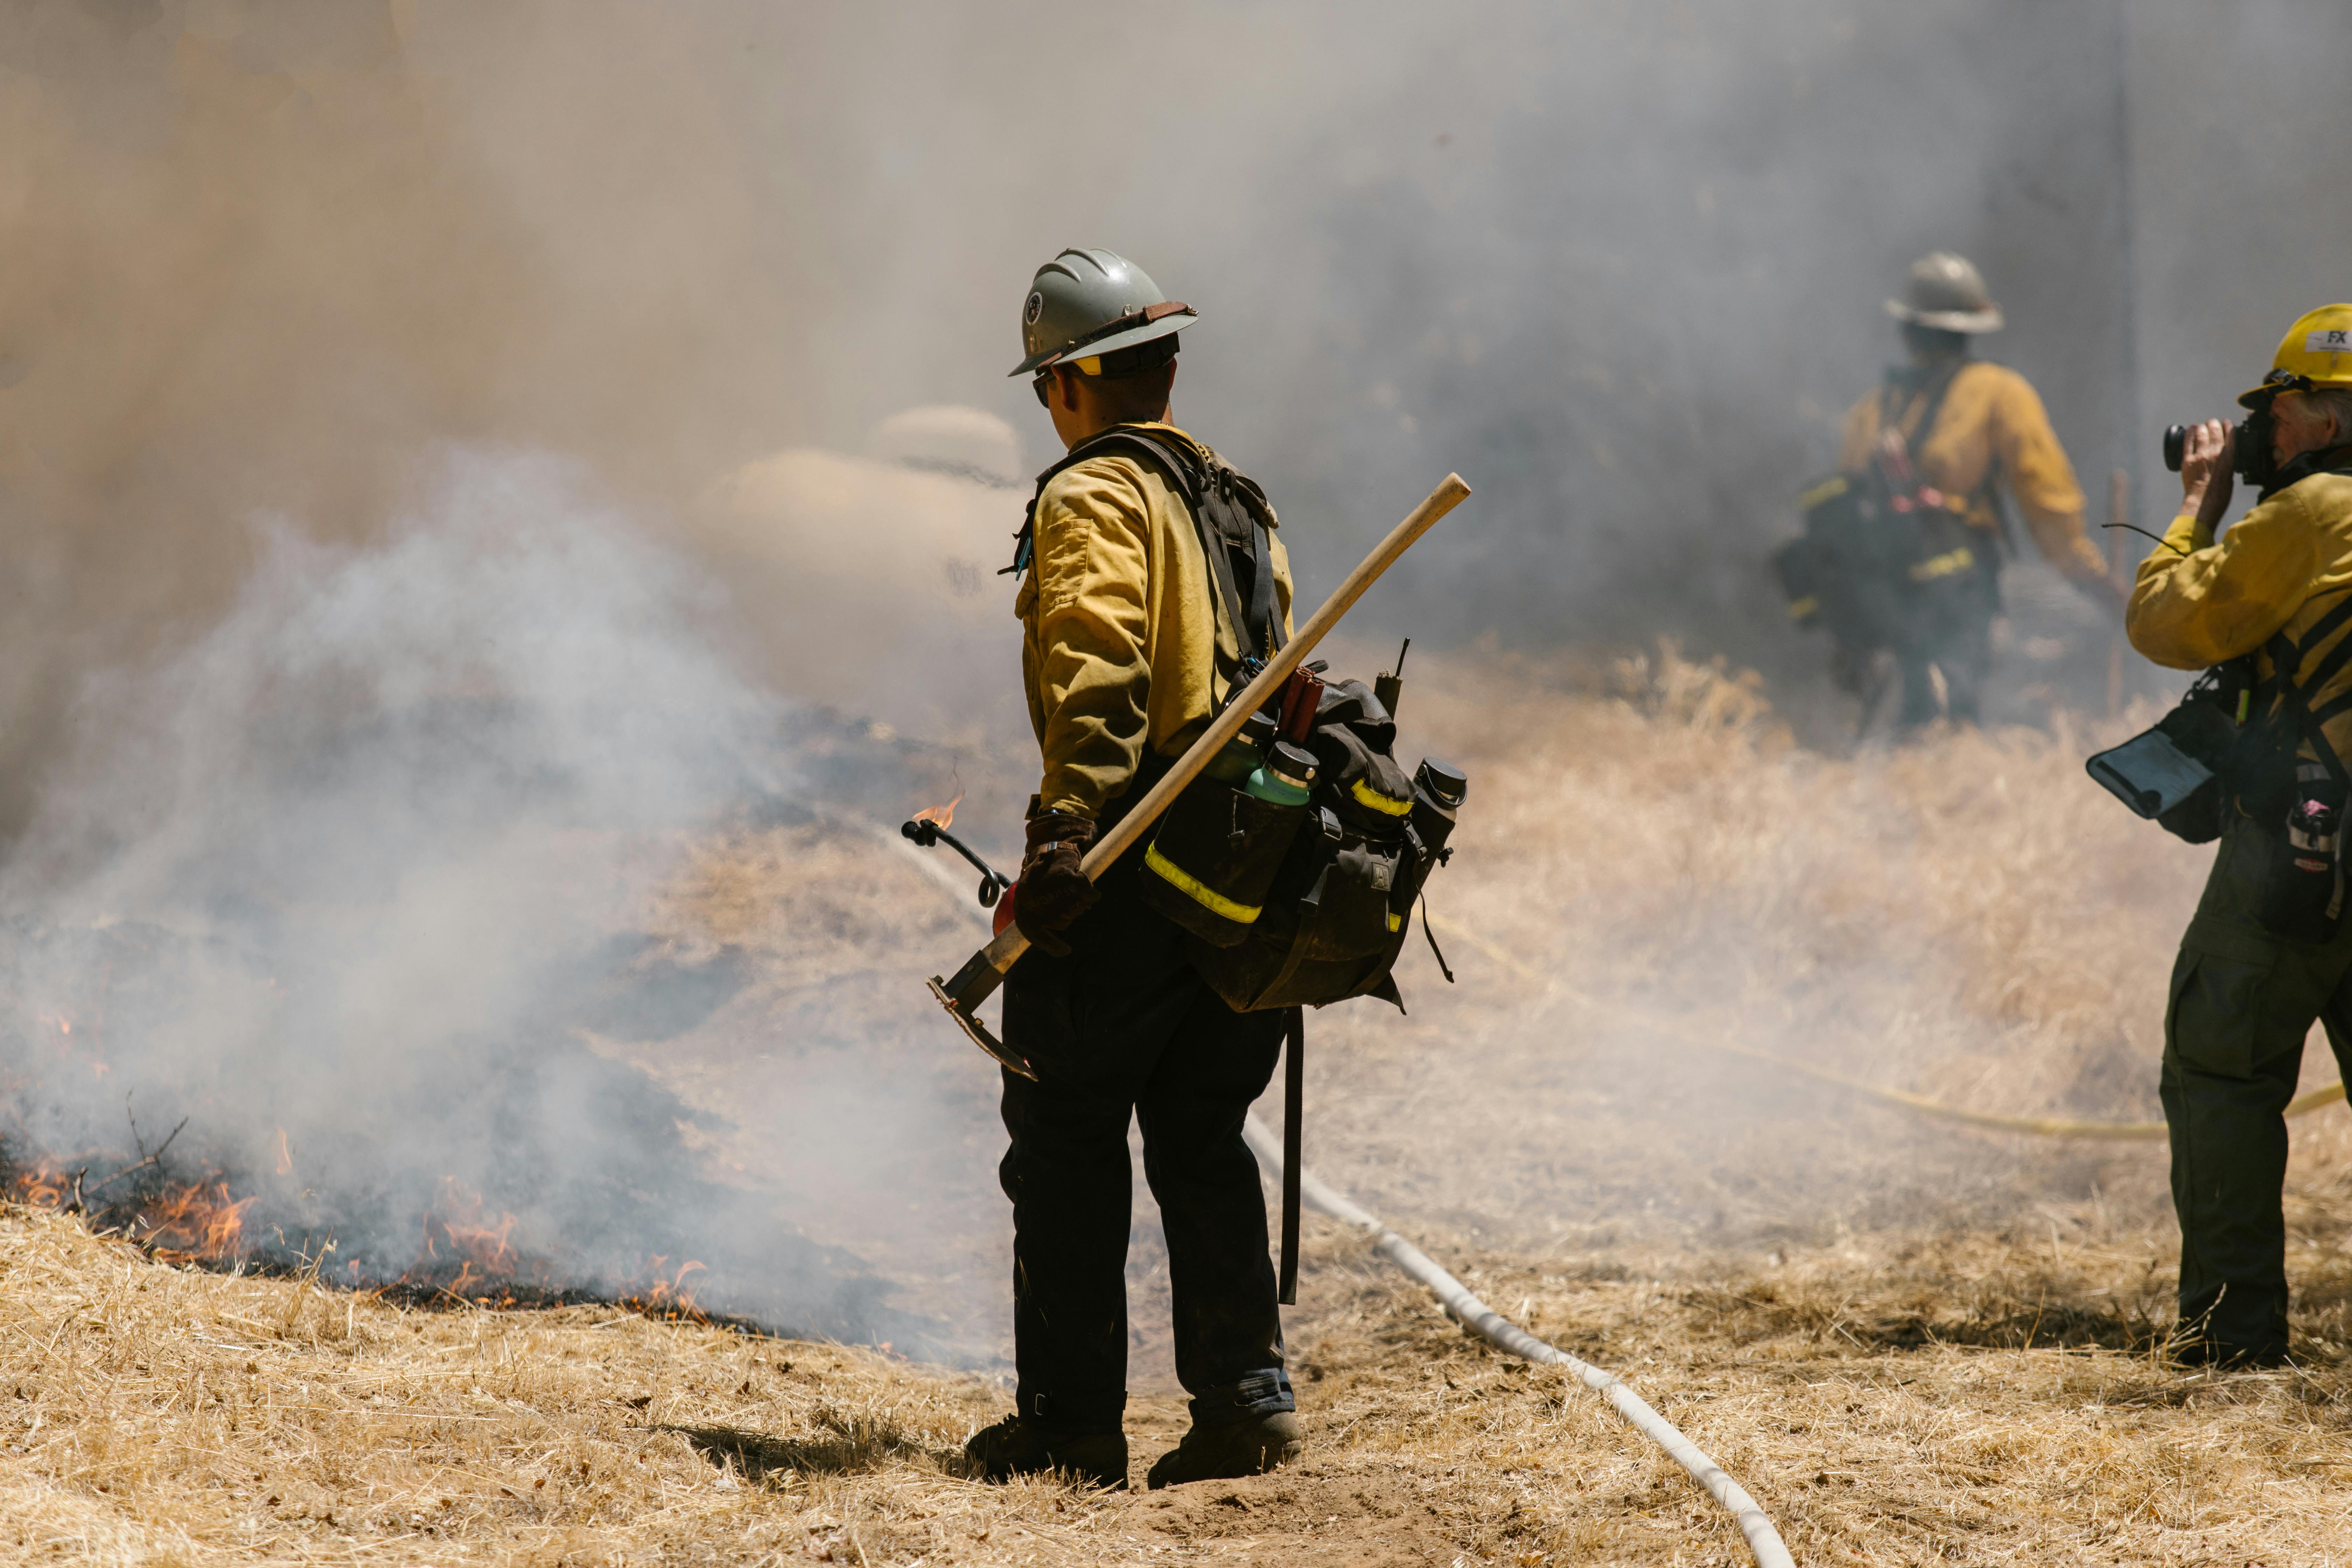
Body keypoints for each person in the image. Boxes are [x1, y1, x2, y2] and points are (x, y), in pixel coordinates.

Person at [961, 248, 1302, 1490]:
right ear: (1165, 367)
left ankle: (1067, 1429)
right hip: (1243, 879)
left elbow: (1099, 663)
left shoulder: (1094, 495)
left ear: (1066, 385)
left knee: (1061, 1129)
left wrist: (1063, 843)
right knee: (1204, 1136)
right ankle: (1245, 1406)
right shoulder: (1239, 498)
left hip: (1135, 865)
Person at [2125, 303, 2352, 1367]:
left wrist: (2201, 501)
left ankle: (2232, 1341)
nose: (2264, 430)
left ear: (2327, 413)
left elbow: (2170, 621)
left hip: (2300, 858)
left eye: (2277, 408)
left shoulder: (2310, 513)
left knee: (2221, 1073)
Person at [1834, 251, 2122, 726]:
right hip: (1960, 587)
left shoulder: (1872, 409)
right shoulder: (2000, 392)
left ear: (1907, 330)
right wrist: (2092, 580)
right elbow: (2048, 503)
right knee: (1969, 699)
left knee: (1903, 711)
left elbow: (1845, 502)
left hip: (1880, 591)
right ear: (1969, 329)